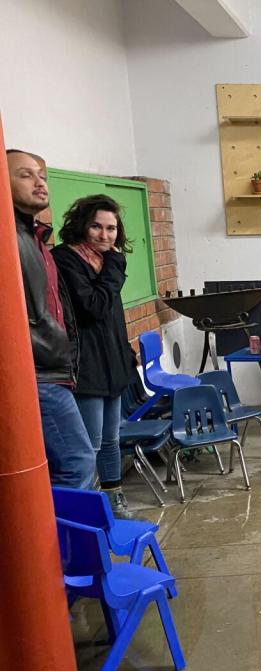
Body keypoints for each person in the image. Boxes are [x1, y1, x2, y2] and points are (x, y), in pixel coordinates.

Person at [7, 149, 96, 488]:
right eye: (25, 175)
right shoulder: (9, 238)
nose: (39, 182)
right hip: (36, 371)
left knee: (68, 463)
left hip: (52, 367)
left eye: (41, 175)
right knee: (77, 463)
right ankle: (60, 541)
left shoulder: (33, 236)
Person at [52, 195, 137, 518]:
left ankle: (114, 500)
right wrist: (115, 267)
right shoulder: (66, 260)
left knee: (111, 439)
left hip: (112, 363)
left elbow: (112, 316)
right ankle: (86, 509)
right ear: (82, 226)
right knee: (89, 446)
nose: (105, 236)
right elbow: (94, 307)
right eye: (97, 227)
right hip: (86, 367)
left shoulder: (104, 262)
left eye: (112, 228)